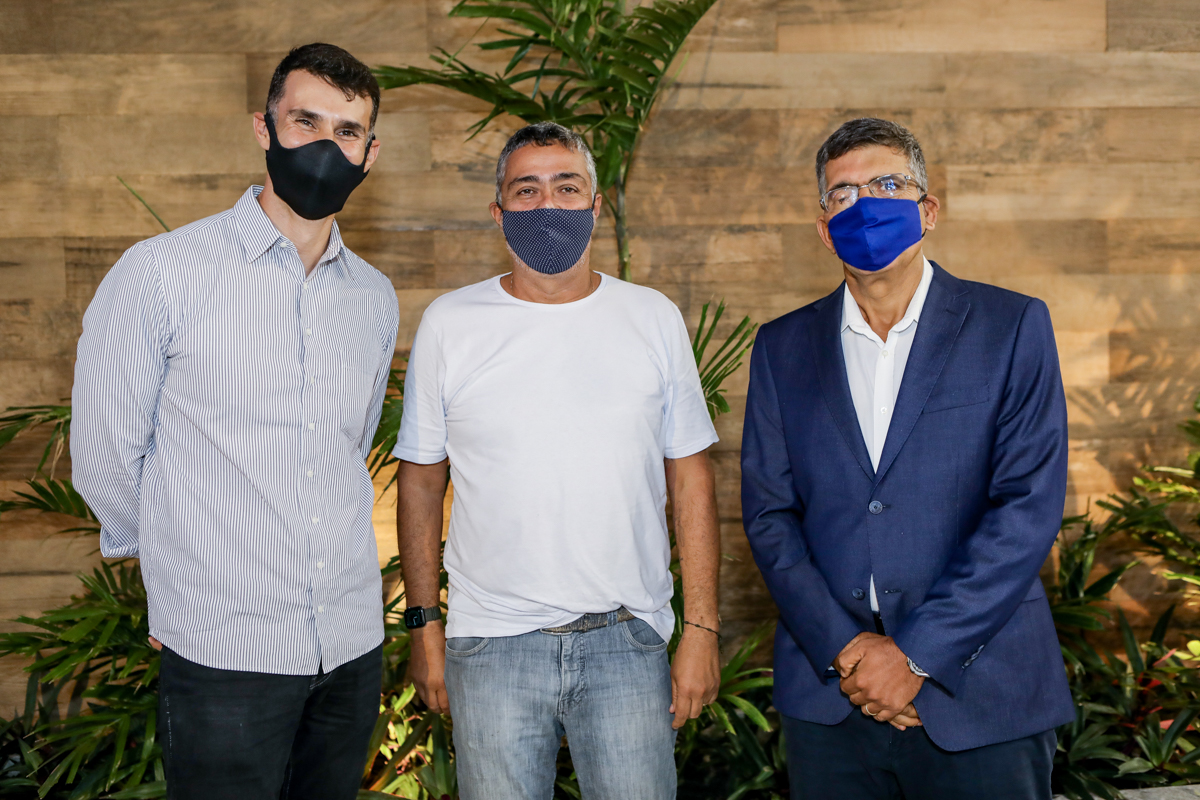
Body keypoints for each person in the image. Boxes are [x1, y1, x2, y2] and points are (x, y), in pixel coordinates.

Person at [71, 43, 398, 800]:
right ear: (263, 128)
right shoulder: (161, 272)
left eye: (347, 131)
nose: (326, 147)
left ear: (370, 153)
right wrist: (173, 579)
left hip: (350, 645)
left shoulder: (373, 297)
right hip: (224, 647)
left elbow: (346, 450)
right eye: (305, 122)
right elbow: (104, 450)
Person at [740, 117, 1074, 799]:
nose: (865, 205)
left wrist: (915, 656)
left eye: (887, 185)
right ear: (823, 227)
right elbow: (770, 515)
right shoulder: (781, 346)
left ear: (928, 210)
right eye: (843, 193)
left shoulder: (1011, 326)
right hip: (833, 698)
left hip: (982, 691)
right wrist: (850, 653)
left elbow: (1027, 506)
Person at [394, 121, 722, 800]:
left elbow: (691, 478)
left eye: (567, 188)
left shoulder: (652, 317)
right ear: (499, 212)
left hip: (626, 640)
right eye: (527, 190)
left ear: (596, 205)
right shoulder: (451, 324)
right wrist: (425, 626)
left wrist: (702, 629)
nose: (548, 205)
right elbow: (421, 484)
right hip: (491, 645)